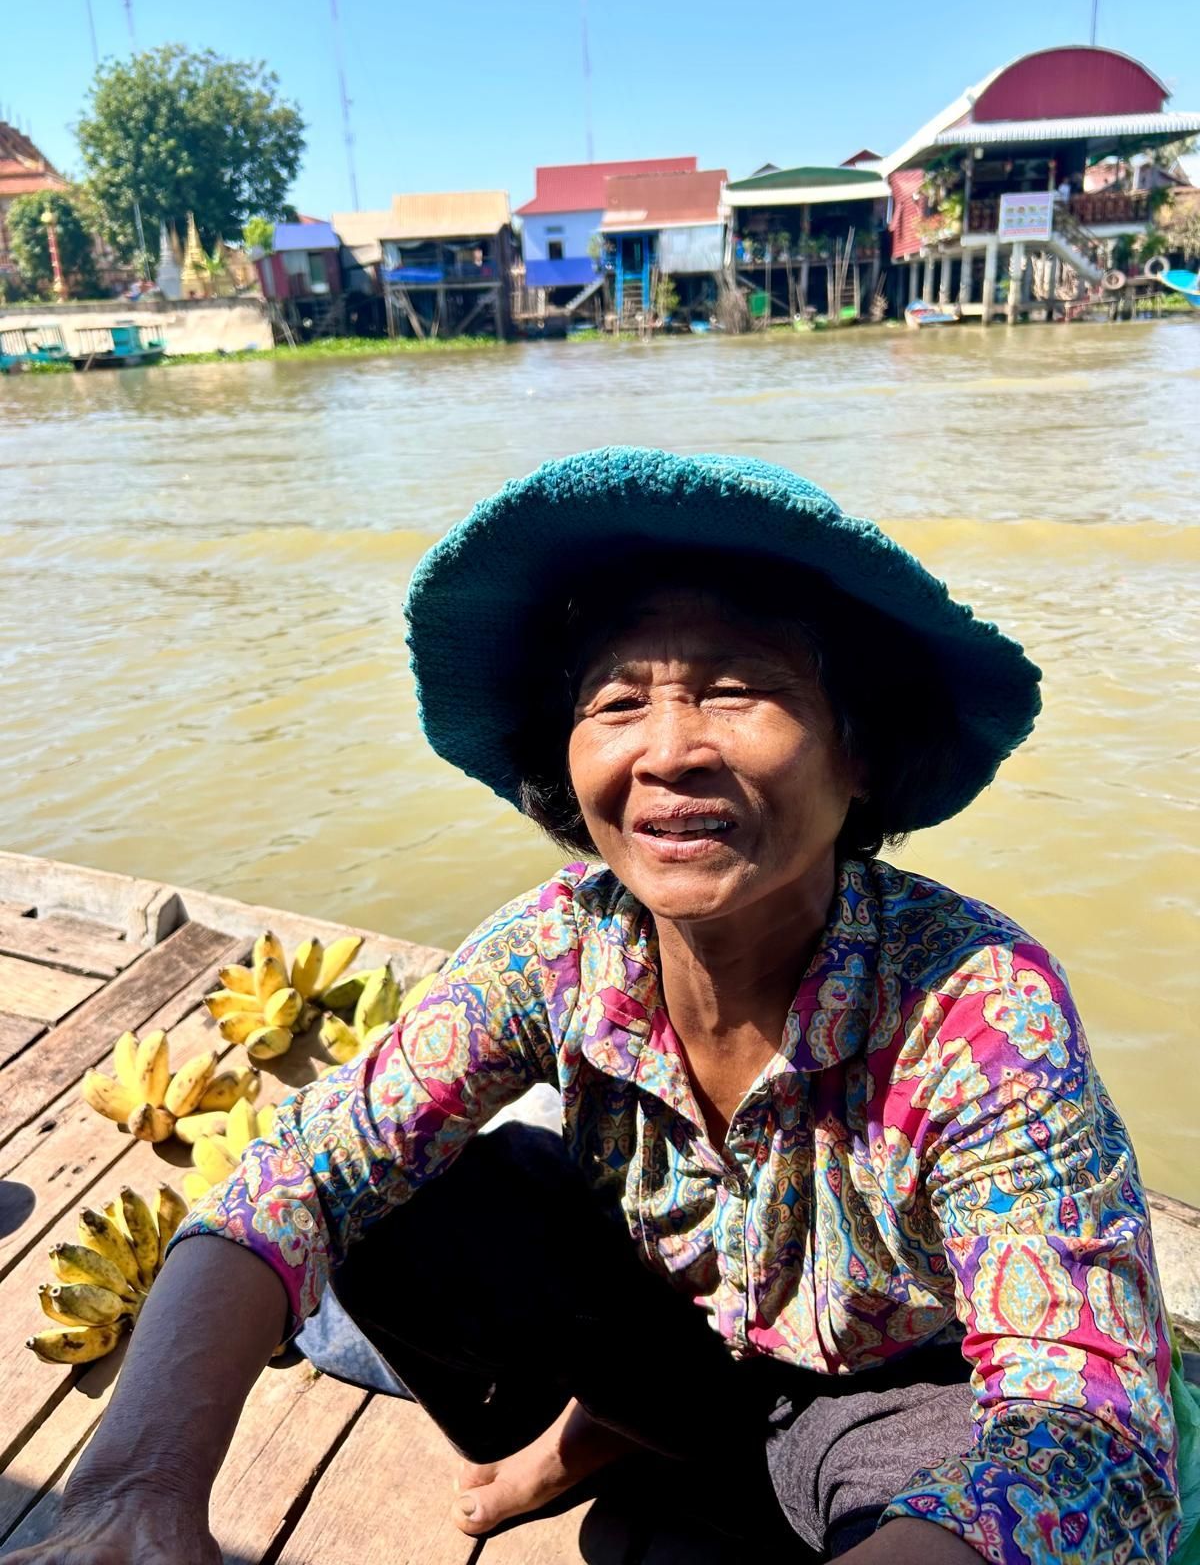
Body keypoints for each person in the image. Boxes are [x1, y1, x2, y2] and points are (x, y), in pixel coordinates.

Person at [11, 448, 1179, 1564]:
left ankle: (678, 1466)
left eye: (740, 691)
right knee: (414, 1209)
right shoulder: (561, 942)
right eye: (617, 702)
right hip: (674, 1335)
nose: (669, 752)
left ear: (858, 751)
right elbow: (304, 1172)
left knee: (968, 1490)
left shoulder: (977, 1008)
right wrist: (133, 1493)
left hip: (880, 1392)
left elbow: (1093, 1440)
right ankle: (609, 1429)